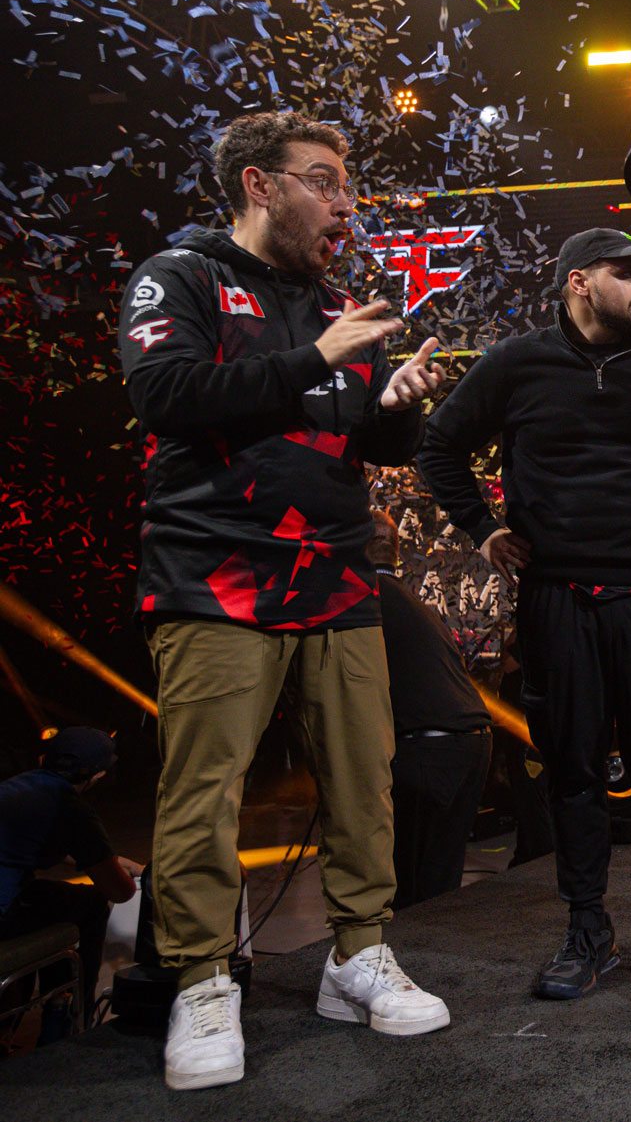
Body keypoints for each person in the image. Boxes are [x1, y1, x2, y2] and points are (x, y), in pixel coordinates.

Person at [117, 111, 449, 1091]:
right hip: (214, 573)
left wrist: (400, 404)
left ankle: (356, 955)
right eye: (322, 180)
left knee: (363, 775)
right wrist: (320, 359)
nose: (343, 202)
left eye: (346, 184)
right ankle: (204, 980)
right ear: (260, 186)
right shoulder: (179, 276)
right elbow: (165, 394)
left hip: (337, 577)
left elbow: (370, 445)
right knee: (204, 789)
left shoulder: (331, 304)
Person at [415, 227, 631, 1003]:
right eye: (627, 274)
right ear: (578, 282)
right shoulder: (516, 362)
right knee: (574, 772)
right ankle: (587, 928)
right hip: (557, 598)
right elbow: (439, 446)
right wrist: (483, 525)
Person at [367, 511, 493, 910]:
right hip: (469, 742)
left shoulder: (365, 600)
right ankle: (437, 963)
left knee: (409, 884)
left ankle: (409, 962)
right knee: (439, 884)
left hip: (428, 749)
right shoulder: (411, 601)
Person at [0, 727, 139, 1042]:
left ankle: (41, 1009)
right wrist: (109, 866)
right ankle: (69, 1015)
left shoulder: (17, 787)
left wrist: (104, 859)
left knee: (47, 899)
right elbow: (120, 891)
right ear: (97, 776)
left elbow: (30, 842)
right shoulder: (72, 808)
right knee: (89, 904)